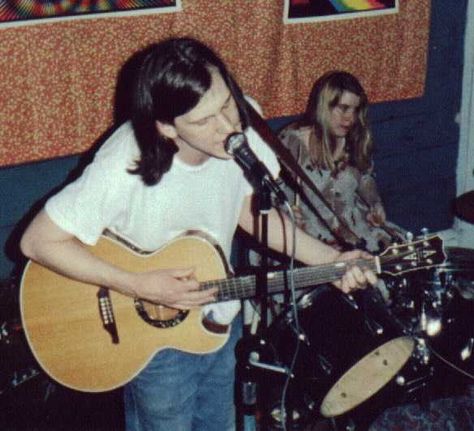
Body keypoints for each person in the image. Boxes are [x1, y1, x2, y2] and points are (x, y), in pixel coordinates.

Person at [19, 39, 376, 431]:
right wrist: (137, 284)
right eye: (205, 120)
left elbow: (246, 209)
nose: (228, 126)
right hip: (146, 332)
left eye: (226, 103)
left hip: (218, 315)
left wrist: (330, 260)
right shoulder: (124, 162)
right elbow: (37, 241)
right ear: (167, 126)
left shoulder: (246, 122)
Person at [278, 70, 405, 253]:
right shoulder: (292, 141)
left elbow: (365, 178)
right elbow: (268, 194)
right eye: (343, 108)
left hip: (354, 230)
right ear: (324, 106)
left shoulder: (354, 136)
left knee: (402, 255)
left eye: (355, 110)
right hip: (309, 238)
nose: (350, 118)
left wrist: (375, 202)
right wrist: (285, 214)